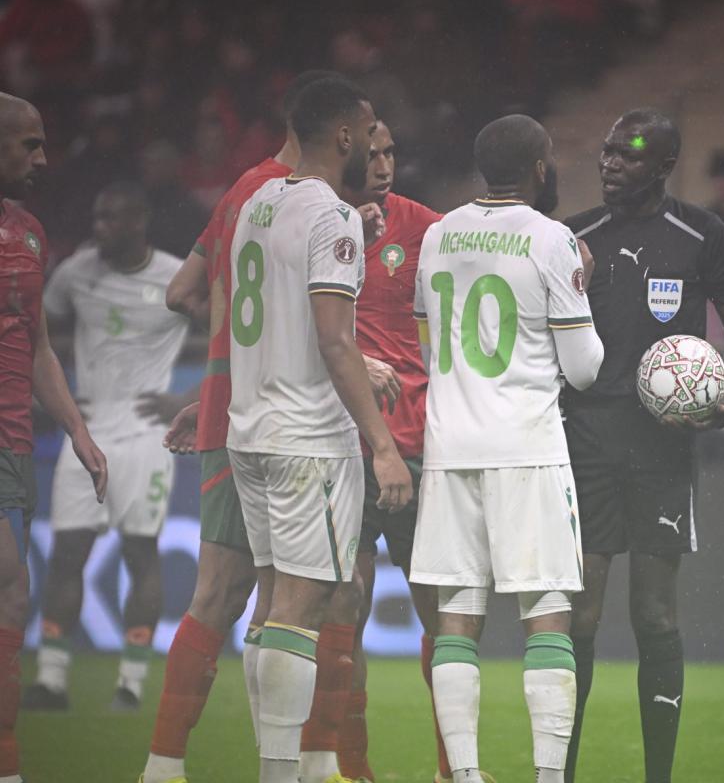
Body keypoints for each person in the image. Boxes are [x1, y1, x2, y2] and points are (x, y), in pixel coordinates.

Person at [139, 68, 333, 783]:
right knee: (262, 595)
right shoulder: (299, 202)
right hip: (275, 417)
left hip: (231, 407)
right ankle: (217, 765)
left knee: (243, 598)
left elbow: (183, 291)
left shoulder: (238, 193)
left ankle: (176, 765)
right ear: (335, 130)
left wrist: (226, 355)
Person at [408, 114, 605, 783]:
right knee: (547, 614)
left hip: (449, 446)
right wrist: (584, 285)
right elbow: (584, 370)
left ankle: (463, 777)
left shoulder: (437, 234)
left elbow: (423, 338)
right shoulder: (554, 240)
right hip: (526, 447)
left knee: (457, 618)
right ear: (541, 169)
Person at [561, 108, 724, 783]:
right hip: (585, 439)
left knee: (654, 613)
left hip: (663, 447)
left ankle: (658, 778)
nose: (610, 164)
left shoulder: (699, 234)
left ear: (664, 166)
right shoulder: (573, 235)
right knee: (580, 611)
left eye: (627, 156)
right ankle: (561, 772)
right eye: (607, 152)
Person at [228, 77, 412, 783]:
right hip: (308, 438)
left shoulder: (259, 202)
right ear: (345, 137)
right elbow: (337, 344)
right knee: (301, 613)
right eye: (370, 134)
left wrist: (350, 235)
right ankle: (281, 776)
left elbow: (278, 309)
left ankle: (274, 767)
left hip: (254, 429)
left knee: (272, 604)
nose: (375, 146)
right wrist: (386, 446)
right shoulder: (331, 215)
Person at [303, 121, 477, 783]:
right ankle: (349, 770)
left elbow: (488, 254)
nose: (382, 165)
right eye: (370, 154)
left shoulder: (428, 229)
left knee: (441, 608)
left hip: (417, 446)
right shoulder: (318, 226)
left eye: (390, 153)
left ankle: (450, 770)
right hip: (338, 447)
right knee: (344, 605)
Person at [22, 181, 189, 714]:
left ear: (138, 221)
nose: (98, 229)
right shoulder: (76, 272)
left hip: (146, 436)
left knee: (140, 552)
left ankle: (131, 685)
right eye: (95, 218)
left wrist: (188, 397)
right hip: (87, 431)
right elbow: (36, 336)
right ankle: (50, 681)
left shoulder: (174, 275)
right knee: (69, 552)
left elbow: (232, 331)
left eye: (109, 220)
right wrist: (54, 402)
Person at [0, 92, 107, 783]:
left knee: (13, 595)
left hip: (15, 445)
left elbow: (36, 345)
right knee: (10, 585)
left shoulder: (30, 233)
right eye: (28, 144)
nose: (42, 157)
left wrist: (78, 430)